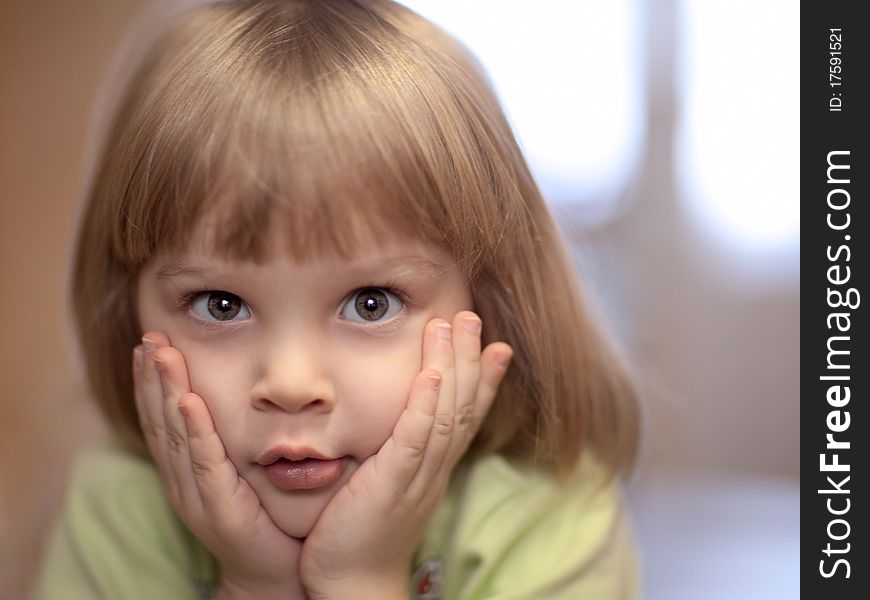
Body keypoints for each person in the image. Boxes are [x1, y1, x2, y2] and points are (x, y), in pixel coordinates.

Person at [34, 0, 640, 598]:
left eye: (371, 303)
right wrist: (257, 588)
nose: (292, 384)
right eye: (221, 304)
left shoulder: (551, 523)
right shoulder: (118, 510)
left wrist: (359, 581)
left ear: (490, 303)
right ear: (127, 311)